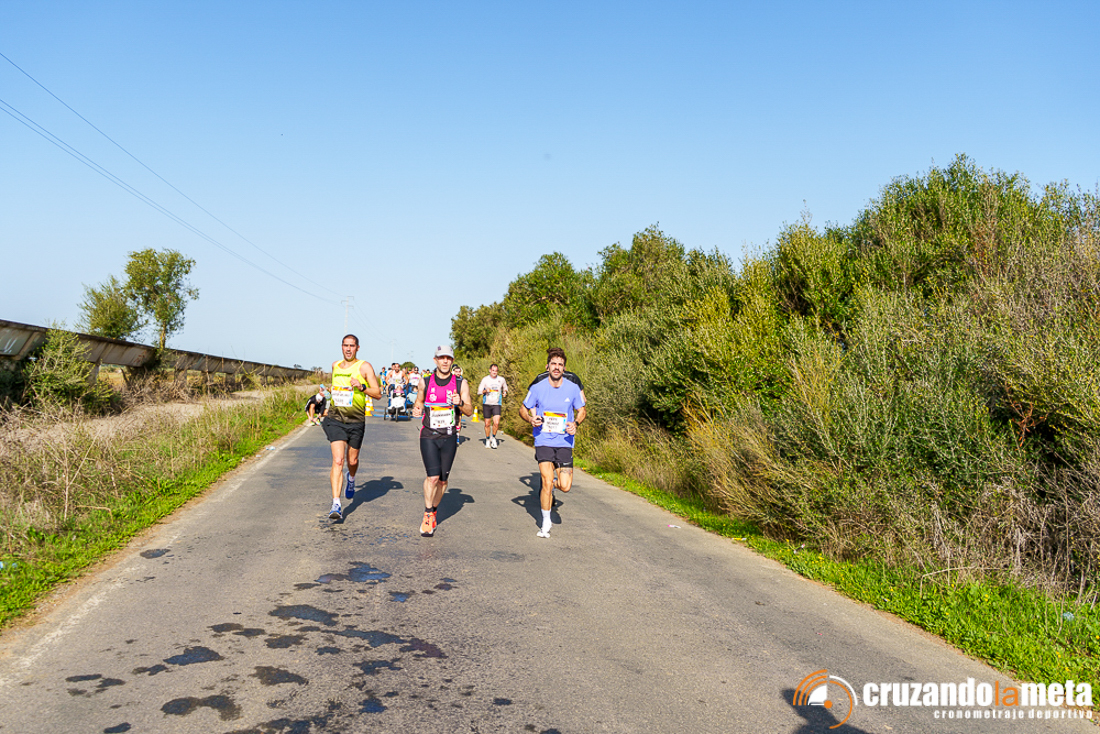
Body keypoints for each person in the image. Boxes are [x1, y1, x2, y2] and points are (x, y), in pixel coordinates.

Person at [519, 347, 586, 538]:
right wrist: (531, 419)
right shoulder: (538, 387)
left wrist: (575, 424)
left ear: (564, 368)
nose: (557, 367)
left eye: (560, 364)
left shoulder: (572, 388)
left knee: (565, 486)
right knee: (547, 481)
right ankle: (545, 522)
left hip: (564, 442)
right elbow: (523, 409)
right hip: (544, 440)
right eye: (554, 364)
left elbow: (582, 410)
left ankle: (551, 487)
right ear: (547, 366)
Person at [411, 346, 472, 537]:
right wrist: (416, 409)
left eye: (448, 358)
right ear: (435, 360)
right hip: (429, 434)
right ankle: (428, 513)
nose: (445, 361)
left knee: (443, 481)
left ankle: (434, 510)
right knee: (432, 477)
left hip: (449, 436)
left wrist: (460, 403)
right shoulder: (426, 381)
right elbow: (419, 402)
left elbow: (469, 410)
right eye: (441, 357)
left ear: (452, 360)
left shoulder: (460, 383)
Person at [322, 334, 382, 520]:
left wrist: (362, 386)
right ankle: (336, 504)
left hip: (356, 421)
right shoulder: (335, 366)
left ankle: (352, 478)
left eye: (352, 346)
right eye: (345, 345)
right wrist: (328, 393)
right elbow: (337, 389)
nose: (348, 349)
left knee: (352, 460)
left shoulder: (364, 367)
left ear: (357, 348)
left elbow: (378, 393)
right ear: (341, 347)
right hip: (336, 419)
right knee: (338, 460)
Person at [478, 363, 508, 448]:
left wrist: (504, 392)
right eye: (493, 370)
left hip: (496, 404)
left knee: (496, 423)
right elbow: (479, 392)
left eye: (496, 371)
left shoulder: (501, 379)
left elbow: (505, 387)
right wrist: (485, 391)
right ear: (490, 370)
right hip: (487, 403)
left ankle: (493, 437)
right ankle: (487, 439)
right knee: (487, 424)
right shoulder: (485, 379)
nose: (494, 372)